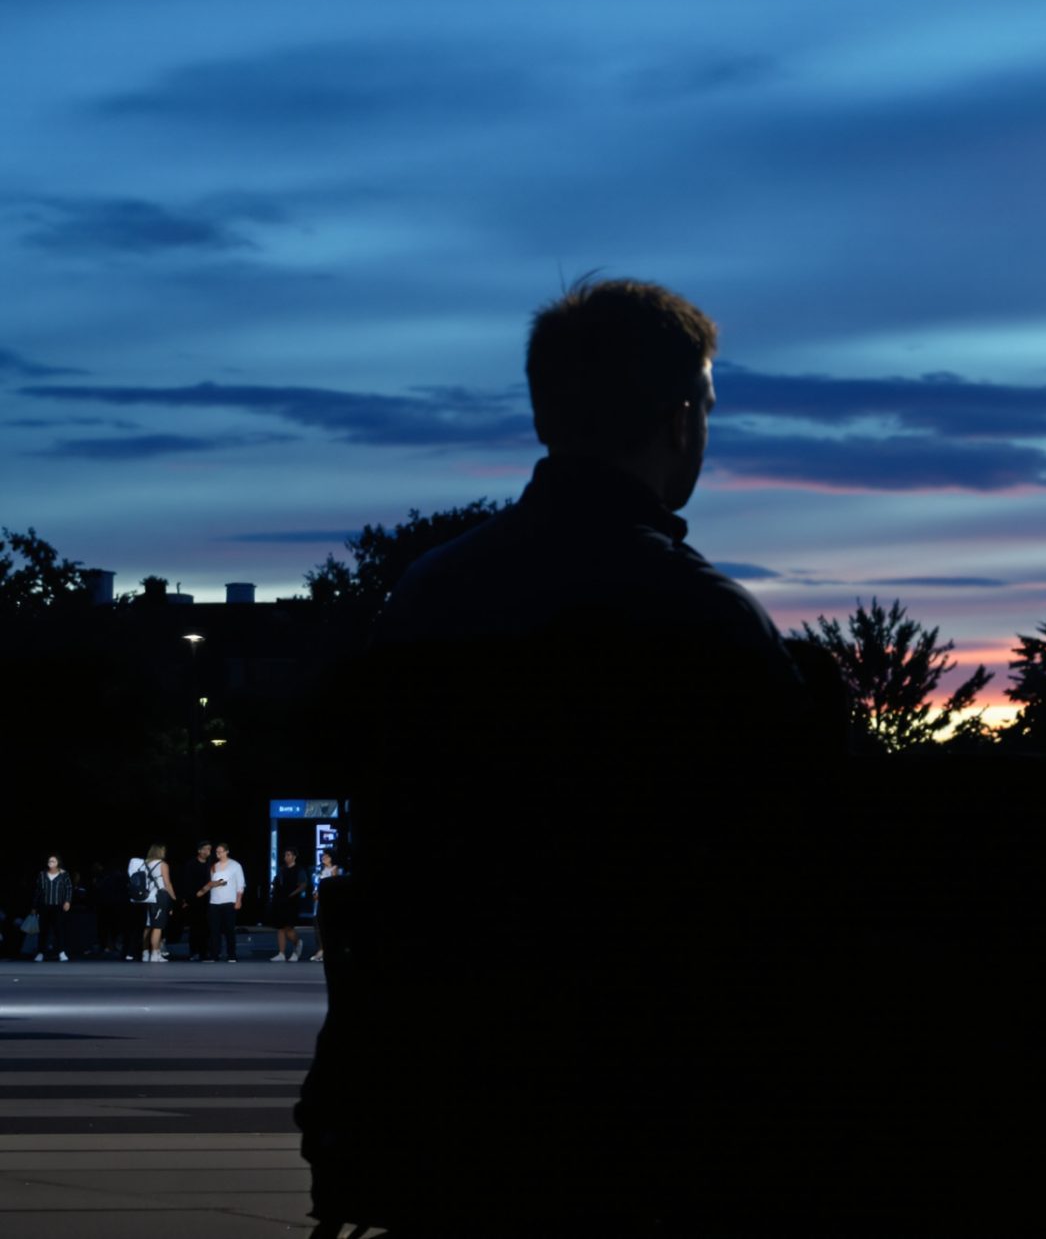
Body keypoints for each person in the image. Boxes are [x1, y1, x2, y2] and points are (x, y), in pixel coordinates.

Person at [296, 279, 839, 1237]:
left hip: (437, 1070)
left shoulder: (427, 597)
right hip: (653, 1085)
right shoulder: (705, 618)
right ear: (681, 421)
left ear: (548, 412)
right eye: (708, 408)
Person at [203, 842, 245, 962]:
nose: (218, 854)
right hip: (214, 901)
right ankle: (214, 955)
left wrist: (238, 900)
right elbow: (211, 883)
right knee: (214, 930)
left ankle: (231, 955)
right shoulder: (214, 866)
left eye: (220, 851)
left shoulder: (235, 865)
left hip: (229, 901)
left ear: (227, 851)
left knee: (229, 929)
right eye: (217, 852)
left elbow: (240, 884)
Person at [129, 845, 171, 962]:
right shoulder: (162, 864)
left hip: (146, 898)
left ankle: (145, 953)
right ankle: (155, 954)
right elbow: (167, 883)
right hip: (158, 897)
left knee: (148, 926)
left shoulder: (145, 863)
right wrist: (173, 897)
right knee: (158, 927)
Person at [269, 848, 309, 962]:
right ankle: (281, 953)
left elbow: (303, 885)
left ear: (294, 856)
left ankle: (297, 944)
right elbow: (276, 882)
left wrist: (292, 894)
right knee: (280, 927)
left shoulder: (299, 870)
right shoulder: (282, 869)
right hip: (280, 900)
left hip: (292, 902)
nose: (286, 857)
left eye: (289, 855)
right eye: (285, 855)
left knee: (288, 927)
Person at [178, 842, 213, 962]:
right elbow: (186, 882)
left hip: (208, 900)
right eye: (205, 849)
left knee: (206, 927)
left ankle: (205, 953)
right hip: (194, 900)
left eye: (209, 849)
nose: (207, 852)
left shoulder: (210, 864)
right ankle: (194, 952)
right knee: (195, 927)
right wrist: (186, 899)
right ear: (199, 850)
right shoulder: (191, 864)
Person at [37, 855, 74, 962]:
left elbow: (69, 888)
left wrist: (67, 901)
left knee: (59, 930)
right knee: (43, 931)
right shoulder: (42, 874)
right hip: (44, 906)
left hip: (58, 906)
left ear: (58, 862)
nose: (51, 862)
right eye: (50, 861)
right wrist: (34, 906)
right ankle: (40, 952)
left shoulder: (64, 874)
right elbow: (38, 890)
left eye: (53, 861)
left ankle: (61, 952)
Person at [308, 849, 337, 964]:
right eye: (323, 856)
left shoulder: (334, 869)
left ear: (331, 858)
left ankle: (328, 951)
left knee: (327, 926)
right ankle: (320, 949)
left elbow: (334, 886)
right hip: (317, 901)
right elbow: (315, 883)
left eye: (326, 856)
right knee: (317, 925)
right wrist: (315, 893)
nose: (323, 858)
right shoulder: (319, 870)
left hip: (328, 901)